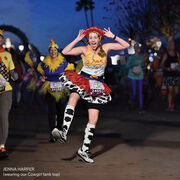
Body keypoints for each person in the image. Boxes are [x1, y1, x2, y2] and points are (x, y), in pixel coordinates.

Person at [52, 27, 129, 163]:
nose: (93, 39)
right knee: (73, 98)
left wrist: (113, 36)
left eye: (95, 37)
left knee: (93, 118)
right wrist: (77, 39)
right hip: (83, 79)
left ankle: (84, 150)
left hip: (97, 84)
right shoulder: (84, 49)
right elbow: (64, 51)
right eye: (90, 37)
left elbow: (126, 45)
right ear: (88, 40)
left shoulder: (106, 47)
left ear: (100, 39)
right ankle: (64, 131)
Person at [37, 39, 74, 142]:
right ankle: (52, 133)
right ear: (49, 51)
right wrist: (42, 77)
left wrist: (66, 76)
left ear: (57, 51)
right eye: (51, 50)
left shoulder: (63, 62)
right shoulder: (45, 62)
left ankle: (58, 130)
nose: (53, 52)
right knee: (51, 111)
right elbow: (39, 71)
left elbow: (70, 70)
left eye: (55, 50)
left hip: (61, 88)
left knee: (61, 111)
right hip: (49, 88)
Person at [0, 29, 18, 159]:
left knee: (3, 118)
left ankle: (2, 146)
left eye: (0, 37)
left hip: (5, 90)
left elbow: (12, 72)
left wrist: (14, 75)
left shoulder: (7, 55)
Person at [161, 40, 180, 111]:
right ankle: (170, 105)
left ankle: (172, 101)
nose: (172, 46)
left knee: (176, 91)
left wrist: (177, 67)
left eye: (173, 44)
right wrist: (166, 68)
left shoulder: (177, 54)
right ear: (169, 46)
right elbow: (161, 64)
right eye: (171, 44)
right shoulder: (166, 54)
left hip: (175, 74)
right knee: (171, 91)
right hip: (168, 74)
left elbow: (179, 63)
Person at [127, 43, 145, 112]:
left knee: (140, 92)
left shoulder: (141, 57)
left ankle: (141, 107)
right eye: (136, 47)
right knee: (134, 92)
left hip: (140, 75)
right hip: (132, 76)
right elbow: (127, 66)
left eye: (138, 47)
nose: (137, 48)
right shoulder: (131, 57)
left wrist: (144, 67)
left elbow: (143, 65)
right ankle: (130, 102)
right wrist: (134, 65)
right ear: (134, 48)